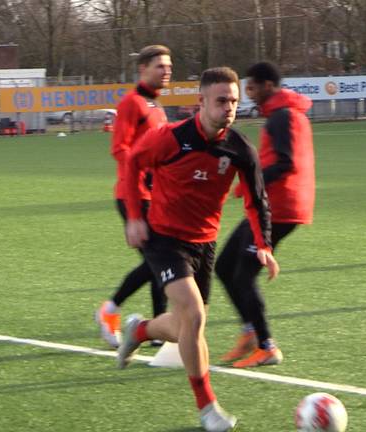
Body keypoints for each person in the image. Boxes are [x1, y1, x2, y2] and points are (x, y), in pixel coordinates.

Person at [117, 66, 278, 432]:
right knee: (194, 315)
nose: (229, 108)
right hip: (163, 239)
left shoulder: (240, 149)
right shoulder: (170, 138)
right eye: (221, 101)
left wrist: (264, 244)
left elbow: (257, 200)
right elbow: (132, 163)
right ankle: (208, 408)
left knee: (182, 325)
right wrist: (133, 215)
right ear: (200, 102)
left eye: (234, 101)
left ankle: (139, 331)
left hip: (203, 244)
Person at [215, 62, 314, 368]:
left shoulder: (283, 117)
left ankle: (266, 345)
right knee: (224, 266)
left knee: (244, 275)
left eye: (252, 87)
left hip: (281, 208)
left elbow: (285, 163)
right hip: (274, 204)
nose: (248, 93)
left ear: (268, 85)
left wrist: (250, 182)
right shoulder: (282, 114)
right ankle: (249, 332)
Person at [95, 45, 171, 348]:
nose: (166, 71)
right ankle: (110, 310)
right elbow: (120, 149)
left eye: (168, 66)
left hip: (154, 195)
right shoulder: (132, 103)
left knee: (161, 262)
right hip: (134, 195)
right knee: (159, 261)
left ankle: (158, 332)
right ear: (143, 69)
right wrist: (142, 178)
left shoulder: (156, 107)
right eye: (160, 66)